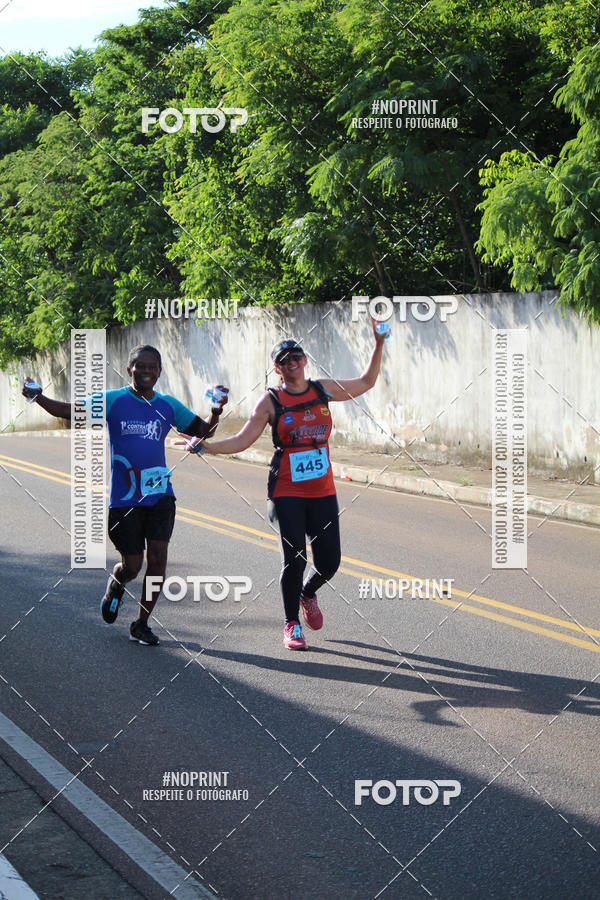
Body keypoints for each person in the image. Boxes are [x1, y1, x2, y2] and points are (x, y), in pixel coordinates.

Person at [184, 323, 386, 650]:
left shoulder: (322, 390)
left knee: (330, 562)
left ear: (305, 360)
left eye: (297, 355)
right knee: (295, 558)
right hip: (286, 490)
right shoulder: (270, 401)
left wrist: (378, 344)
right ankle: (291, 623)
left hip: (322, 491)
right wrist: (208, 447)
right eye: (284, 359)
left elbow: (366, 382)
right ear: (277, 369)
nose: (292, 361)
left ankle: (308, 593)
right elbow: (243, 439)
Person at [23, 344, 228, 646]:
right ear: (129, 369)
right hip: (124, 500)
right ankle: (118, 583)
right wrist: (38, 396)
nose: (146, 371)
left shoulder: (168, 405)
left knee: (158, 561)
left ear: (159, 371)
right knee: (132, 565)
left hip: (160, 495)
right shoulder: (113, 401)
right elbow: (68, 412)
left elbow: (203, 431)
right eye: (140, 366)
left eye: (152, 367)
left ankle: (141, 624)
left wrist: (215, 412)